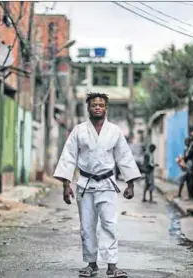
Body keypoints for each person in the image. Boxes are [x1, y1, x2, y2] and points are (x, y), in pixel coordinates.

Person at [53, 92, 141, 278]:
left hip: (107, 184)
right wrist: (66, 185)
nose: (98, 107)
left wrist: (130, 184)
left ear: (106, 108)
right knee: (87, 226)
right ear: (89, 108)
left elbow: (124, 157)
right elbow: (68, 157)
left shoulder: (115, 131)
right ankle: (91, 264)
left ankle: (112, 265)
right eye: (94, 105)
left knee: (109, 224)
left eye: (101, 104)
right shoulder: (79, 130)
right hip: (85, 184)